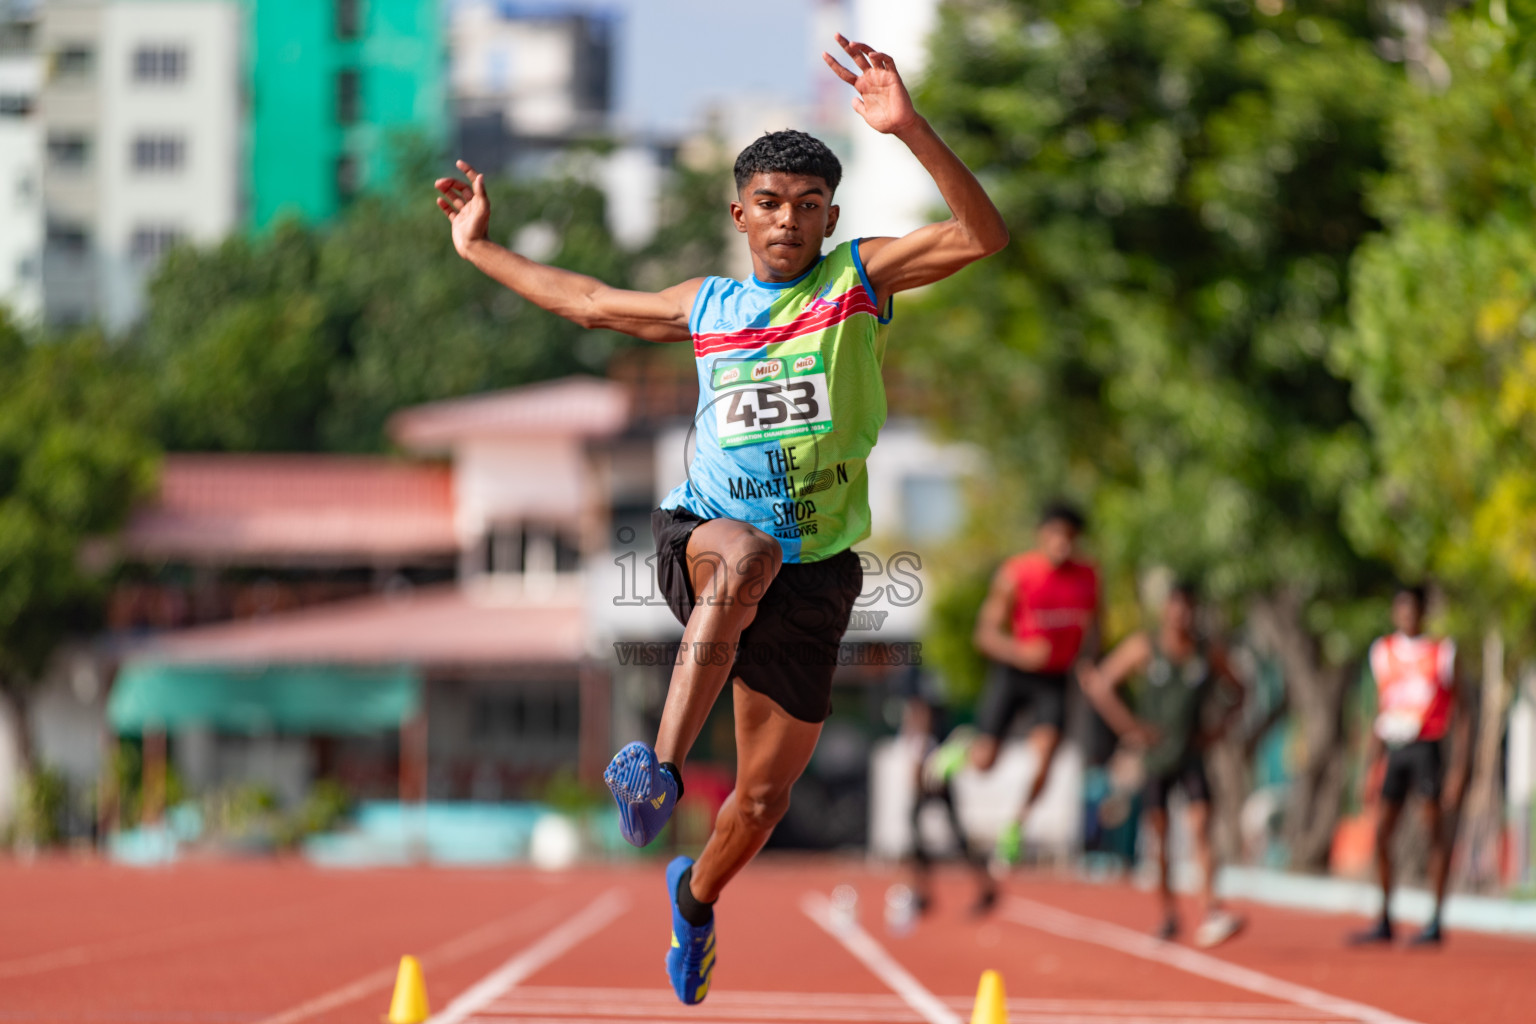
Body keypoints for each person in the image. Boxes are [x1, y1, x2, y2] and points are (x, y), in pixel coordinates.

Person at [434, 34, 1007, 1005]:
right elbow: (586, 302)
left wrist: (908, 126)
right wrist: (478, 244)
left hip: (818, 569)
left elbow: (983, 234)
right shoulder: (709, 306)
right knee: (739, 559)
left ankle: (693, 901)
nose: (789, 219)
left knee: (759, 799)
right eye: (771, 204)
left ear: (831, 215)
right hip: (703, 533)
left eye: (809, 205)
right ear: (741, 213)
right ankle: (653, 767)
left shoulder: (856, 280)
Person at [1081, 582, 1246, 947]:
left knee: (1202, 827)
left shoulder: (1207, 652)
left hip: (1192, 755)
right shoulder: (1145, 647)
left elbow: (1240, 688)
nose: (1181, 615)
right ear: (1165, 610)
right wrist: (1130, 727)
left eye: (1188, 607)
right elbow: (1100, 683)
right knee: (1160, 836)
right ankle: (1167, 913)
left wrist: (1219, 729)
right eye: (1175, 606)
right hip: (1156, 759)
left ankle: (1212, 908)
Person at [969, 501, 1100, 865]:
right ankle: (964, 747)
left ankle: (1016, 825)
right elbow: (984, 634)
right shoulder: (1017, 574)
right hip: (1016, 672)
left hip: (1055, 678)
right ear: (1041, 535)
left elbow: (1096, 626)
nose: (1063, 544)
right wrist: (1021, 652)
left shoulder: (1088, 576)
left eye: (1071, 537)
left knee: (1046, 757)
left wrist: (1088, 662)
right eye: (1056, 535)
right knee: (983, 764)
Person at [1348, 584, 1469, 948]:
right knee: (1381, 833)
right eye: (1400, 608)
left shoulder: (1442, 653)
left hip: (1427, 747)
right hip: (1394, 749)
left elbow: (1463, 714)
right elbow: (1376, 711)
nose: (1407, 615)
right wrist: (1366, 768)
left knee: (1433, 831)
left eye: (1413, 609)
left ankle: (1435, 919)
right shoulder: (1383, 653)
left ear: (1423, 613)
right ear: (1394, 612)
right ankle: (1385, 917)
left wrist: (1458, 770)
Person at [895, 685, 996, 917]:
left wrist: (922, 764)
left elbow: (922, 727)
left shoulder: (923, 705)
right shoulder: (923, 703)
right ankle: (924, 892)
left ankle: (980, 886)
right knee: (921, 836)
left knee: (938, 835)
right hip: (931, 770)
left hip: (933, 771)